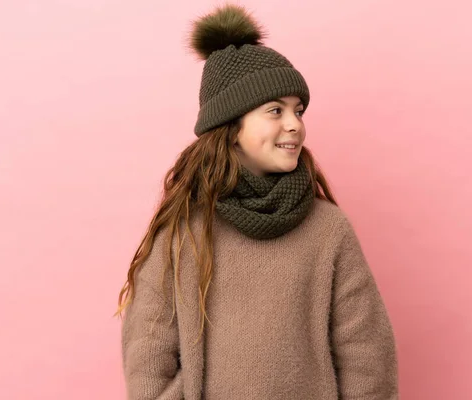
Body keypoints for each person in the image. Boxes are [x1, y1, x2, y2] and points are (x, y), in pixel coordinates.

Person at [116, 3, 399, 399]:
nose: (294, 124)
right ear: (231, 127)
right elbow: (148, 352)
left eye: (298, 110)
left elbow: (366, 355)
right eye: (275, 110)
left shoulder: (327, 229)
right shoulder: (185, 231)